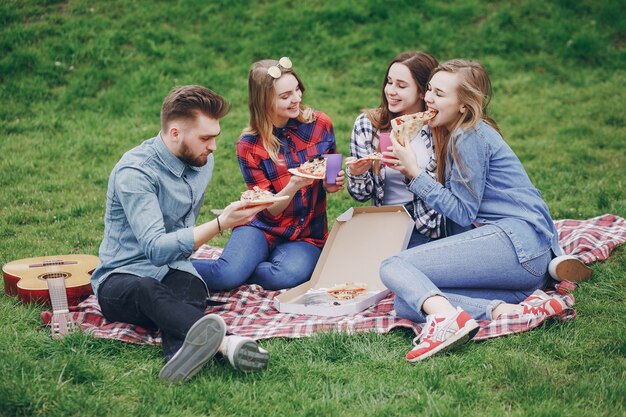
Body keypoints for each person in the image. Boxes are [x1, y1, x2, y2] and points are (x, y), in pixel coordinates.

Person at [378, 59, 588, 362]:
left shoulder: (468, 135)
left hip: (516, 244)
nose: (428, 98)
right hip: (522, 271)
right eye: (430, 91)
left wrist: (414, 173)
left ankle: (447, 323)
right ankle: (510, 310)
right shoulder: (461, 131)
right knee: (409, 300)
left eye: (439, 94)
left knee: (392, 266)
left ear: (463, 105)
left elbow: (462, 212)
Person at [91, 85, 271, 382]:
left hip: (176, 268)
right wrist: (221, 223)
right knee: (149, 289)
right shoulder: (135, 173)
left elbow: (174, 251)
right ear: (175, 133)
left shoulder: (202, 161)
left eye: (215, 136)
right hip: (122, 278)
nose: (213, 146)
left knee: (188, 290)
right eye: (205, 138)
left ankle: (178, 357)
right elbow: (155, 249)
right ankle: (229, 343)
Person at [192, 57, 344, 291]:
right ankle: (161, 270)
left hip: (306, 233)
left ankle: (245, 268)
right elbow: (269, 210)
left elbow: (331, 166)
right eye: (285, 96)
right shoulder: (249, 145)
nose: (296, 99)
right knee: (225, 275)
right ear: (264, 102)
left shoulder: (320, 124)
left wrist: (333, 183)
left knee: (285, 276)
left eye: (297, 90)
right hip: (261, 226)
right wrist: (293, 185)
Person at [345, 51, 445, 248]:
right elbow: (361, 195)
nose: (390, 90)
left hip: (426, 224)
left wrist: (412, 171)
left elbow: (446, 193)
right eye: (389, 82)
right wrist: (357, 174)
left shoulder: (439, 127)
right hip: (383, 221)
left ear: (423, 91)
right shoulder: (367, 125)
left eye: (401, 85)